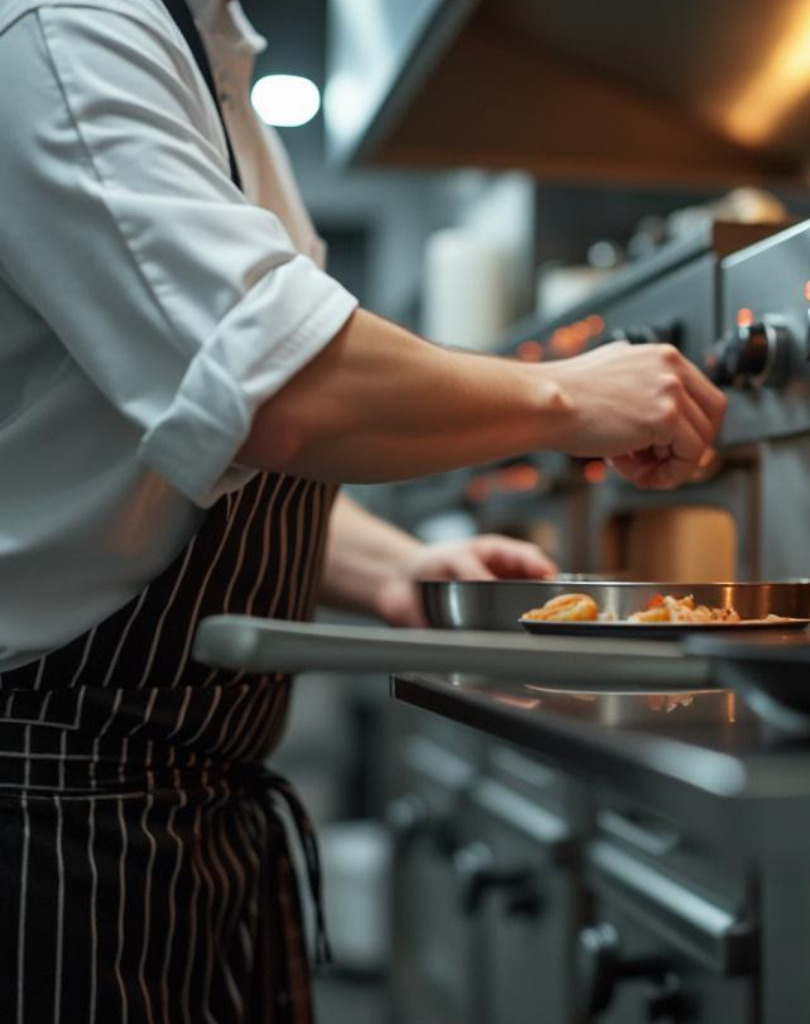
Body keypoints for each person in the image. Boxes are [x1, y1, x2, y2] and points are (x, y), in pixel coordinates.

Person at [0, 0, 727, 1019]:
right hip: (45, 810)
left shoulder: (209, 61)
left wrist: (393, 566)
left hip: (176, 811)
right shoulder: (61, 30)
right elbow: (281, 391)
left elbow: (175, 445)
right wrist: (564, 394)